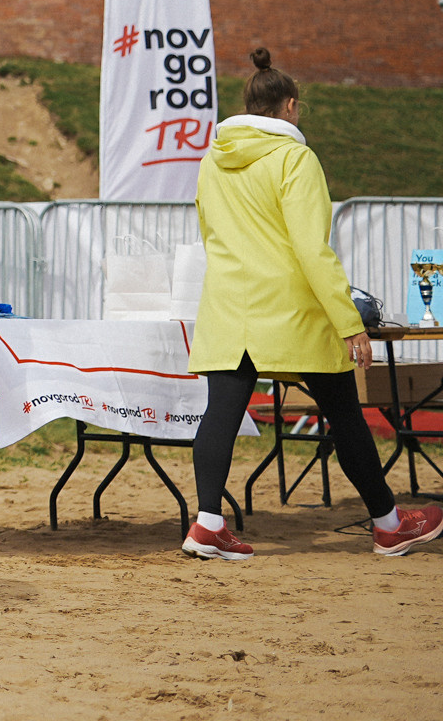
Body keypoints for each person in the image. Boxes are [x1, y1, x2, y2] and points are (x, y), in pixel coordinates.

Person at [182, 48, 443, 560]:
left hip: (228, 307)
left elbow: (208, 232)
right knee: (344, 414)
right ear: (290, 106)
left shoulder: (213, 160)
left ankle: (208, 523)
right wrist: (350, 323)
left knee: (219, 414)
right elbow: (311, 249)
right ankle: (389, 525)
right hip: (289, 312)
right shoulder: (295, 159)